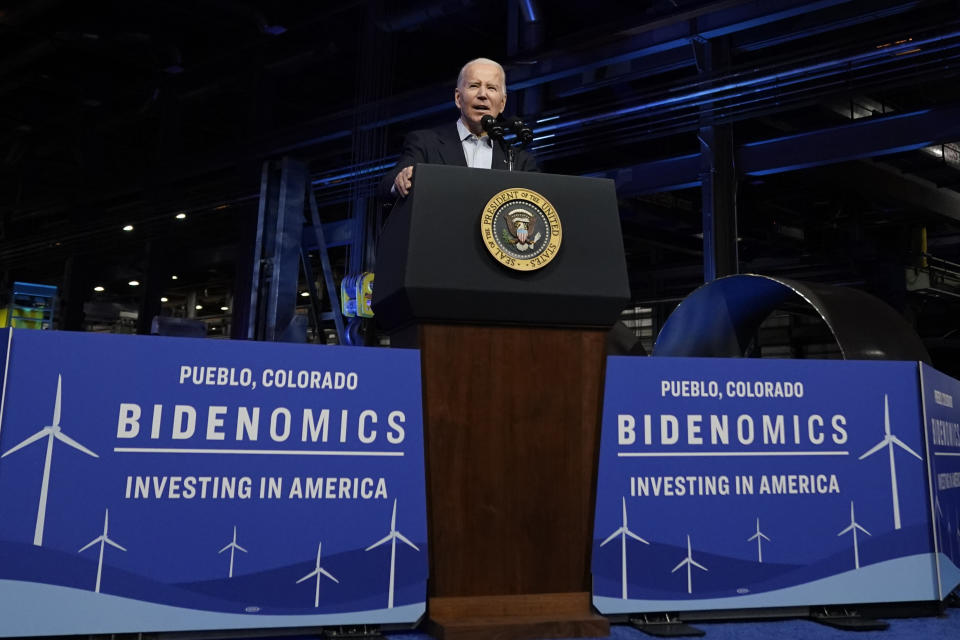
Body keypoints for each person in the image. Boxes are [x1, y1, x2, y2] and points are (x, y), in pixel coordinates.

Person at [378, 57, 539, 200]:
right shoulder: (426, 143)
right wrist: (401, 179)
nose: (483, 94)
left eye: (491, 88)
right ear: (458, 98)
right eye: (474, 86)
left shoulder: (519, 161)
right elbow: (386, 186)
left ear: (502, 103)